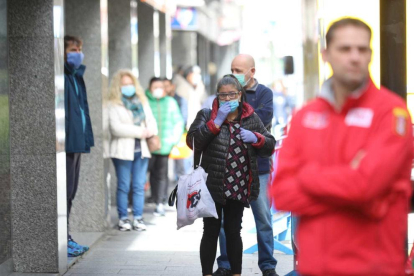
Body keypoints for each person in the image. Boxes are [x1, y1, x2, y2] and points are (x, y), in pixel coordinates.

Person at [270, 18, 413, 276]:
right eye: (345, 49)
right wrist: (351, 183)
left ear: (370, 54)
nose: (355, 57)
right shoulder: (305, 116)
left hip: (374, 268)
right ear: (326, 54)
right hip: (316, 268)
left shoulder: (392, 113)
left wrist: (308, 177)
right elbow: (282, 193)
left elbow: (367, 186)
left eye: (362, 49)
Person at [187, 74, 276, 276]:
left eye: (232, 94)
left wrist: (257, 138)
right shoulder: (206, 115)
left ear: (240, 95)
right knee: (210, 232)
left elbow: (269, 145)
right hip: (212, 186)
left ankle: (236, 273)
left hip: (239, 185)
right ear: (217, 97)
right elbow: (193, 141)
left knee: (234, 231)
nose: (228, 99)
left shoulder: (250, 118)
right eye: (223, 95)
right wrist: (215, 123)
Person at [213, 54, 277, 276]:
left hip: (257, 167)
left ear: (252, 72)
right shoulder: (224, 93)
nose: (235, 73)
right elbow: (216, 120)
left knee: (264, 220)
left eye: (239, 70)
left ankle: (268, 266)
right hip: (229, 170)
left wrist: (237, 113)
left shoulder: (264, 93)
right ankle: (225, 264)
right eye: (232, 69)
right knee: (225, 223)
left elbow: (262, 120)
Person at [108, 70, 157, 231]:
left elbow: (151, 121)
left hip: (141, 150)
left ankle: (138, 217)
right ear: (118, 86)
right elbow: (115, 128)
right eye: (124, 84)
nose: (128, 87)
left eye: (130, 84)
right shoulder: (114, 104)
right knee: (123, 185)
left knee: (138, 185)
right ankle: (123, 218)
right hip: (122, 151)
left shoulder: (141, 102)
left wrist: (150, 130)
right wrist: (140, 132)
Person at [64, 35, 94, 257]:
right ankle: (63, 239)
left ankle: (67, 236)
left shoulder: (76, 76)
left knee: (71, 192)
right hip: (66, 143)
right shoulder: (63, 77)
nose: (78, 53)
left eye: (79, 49)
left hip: (77, 142)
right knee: (64, 193)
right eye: (73, 49)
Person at [146, 77, 184, 216]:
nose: (158, 89)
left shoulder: (171, 102)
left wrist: (173, 140)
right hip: (147, 145)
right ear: (150, 88)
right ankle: (145, 199)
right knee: (147, 172)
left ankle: (159, 202)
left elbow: (178, 122)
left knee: (161, 174)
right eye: (155, 86)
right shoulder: (144, 101)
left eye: (160, 87)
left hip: (165, 145)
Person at [163, 78, 191, 181]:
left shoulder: (180, 100)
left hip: (178, 137)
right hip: (164, 139)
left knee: (180, 166)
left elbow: (183, 119)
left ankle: (181, 190)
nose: (165, 89)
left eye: (167, 86)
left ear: (172, 86)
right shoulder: (160, 101)